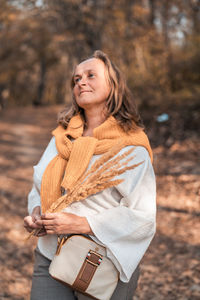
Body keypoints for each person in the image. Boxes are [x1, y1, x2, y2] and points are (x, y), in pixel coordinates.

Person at [24, 50, 156, 300]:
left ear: (113, 85)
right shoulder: (62, 137)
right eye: (76, 79)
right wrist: (37, 212)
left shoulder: (131, 147)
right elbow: (38, 185)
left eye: (91, 75)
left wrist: (81, 224)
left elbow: (143, 217)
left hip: (102, 263)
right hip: (51, 255)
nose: (81, 82)